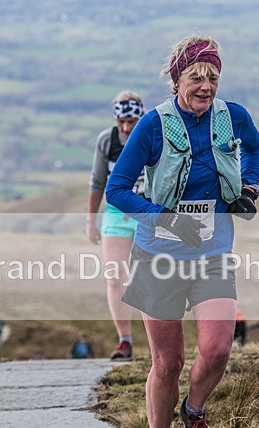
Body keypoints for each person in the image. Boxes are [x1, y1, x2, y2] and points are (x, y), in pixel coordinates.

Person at [106, 34, 259, 428]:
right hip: (159, 254)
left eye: (213, 78)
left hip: (213, 252)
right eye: (197, 77)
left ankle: (194, 411)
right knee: (168, 362)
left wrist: (248, 184)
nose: (206, 86)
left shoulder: (232, 116)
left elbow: (255, 146)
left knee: (216, 350)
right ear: (178, 78)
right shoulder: (153, 125)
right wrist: (164, 219)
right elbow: (118, 190)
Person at [86, 91, 146, 361]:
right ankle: (124, 341)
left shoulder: (153, 135)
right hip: (115, 212)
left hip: (148, 210)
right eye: (121, 121)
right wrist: (91, 220)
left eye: (132, 121)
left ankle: (160, 341)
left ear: (140, 117)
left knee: (151, 277)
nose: (126, 127)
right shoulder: (106, 141)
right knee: (115, 278)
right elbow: (97, 181)